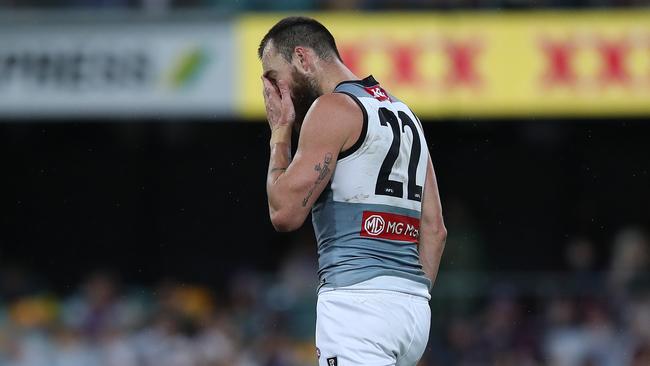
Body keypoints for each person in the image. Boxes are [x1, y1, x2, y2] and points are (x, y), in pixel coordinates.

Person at [259, 16, 447, 366]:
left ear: (303, 58)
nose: (271, 90)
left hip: (356, 306)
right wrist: (406, 297)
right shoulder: (406, 116)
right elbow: (435, 230)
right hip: (413, 313)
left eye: (273, 77)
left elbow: (284, 213)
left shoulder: (332, 108)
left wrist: (280, 131)